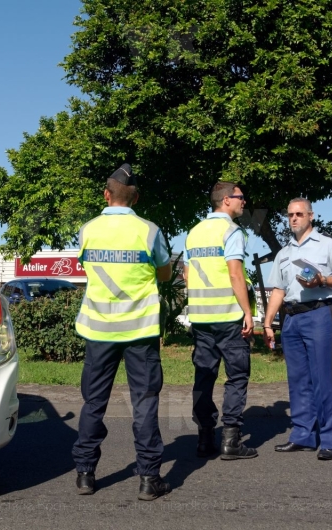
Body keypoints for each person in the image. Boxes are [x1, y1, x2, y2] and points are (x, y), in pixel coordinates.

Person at [71, 163, 173, 501]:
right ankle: (149, 478)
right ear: (136, 197)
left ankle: (85, 473)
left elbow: (88, 269)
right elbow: (164, 273)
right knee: (144, 403)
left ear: (106, 194)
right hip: (139, 332)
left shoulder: (87, 230)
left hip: (99, 330)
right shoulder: (149, 231)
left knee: (93, 403)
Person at [263, 198, 332, 461]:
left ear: (310, 216)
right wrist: (268, 323)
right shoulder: (284, 252)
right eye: (290, 214)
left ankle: (327, 440)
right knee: (298, 381)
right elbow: (278, 290)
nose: (293, 218)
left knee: (322, 379)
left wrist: (323, 279)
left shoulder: (328, 245)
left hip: (319, 315)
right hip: (291, 319)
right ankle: (302, 435)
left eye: (299, 214)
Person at [184, 181, 257, 460]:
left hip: (201, 317)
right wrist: (248, 312)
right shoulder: (232, 231)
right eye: (240, 197)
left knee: (204, 376)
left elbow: (188, 276)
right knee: (237, 375)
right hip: (228, 315)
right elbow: (235, 274)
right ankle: (231, 440)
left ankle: (204, 439)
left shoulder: (194, 232)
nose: (244, 202)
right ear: (226, 200)